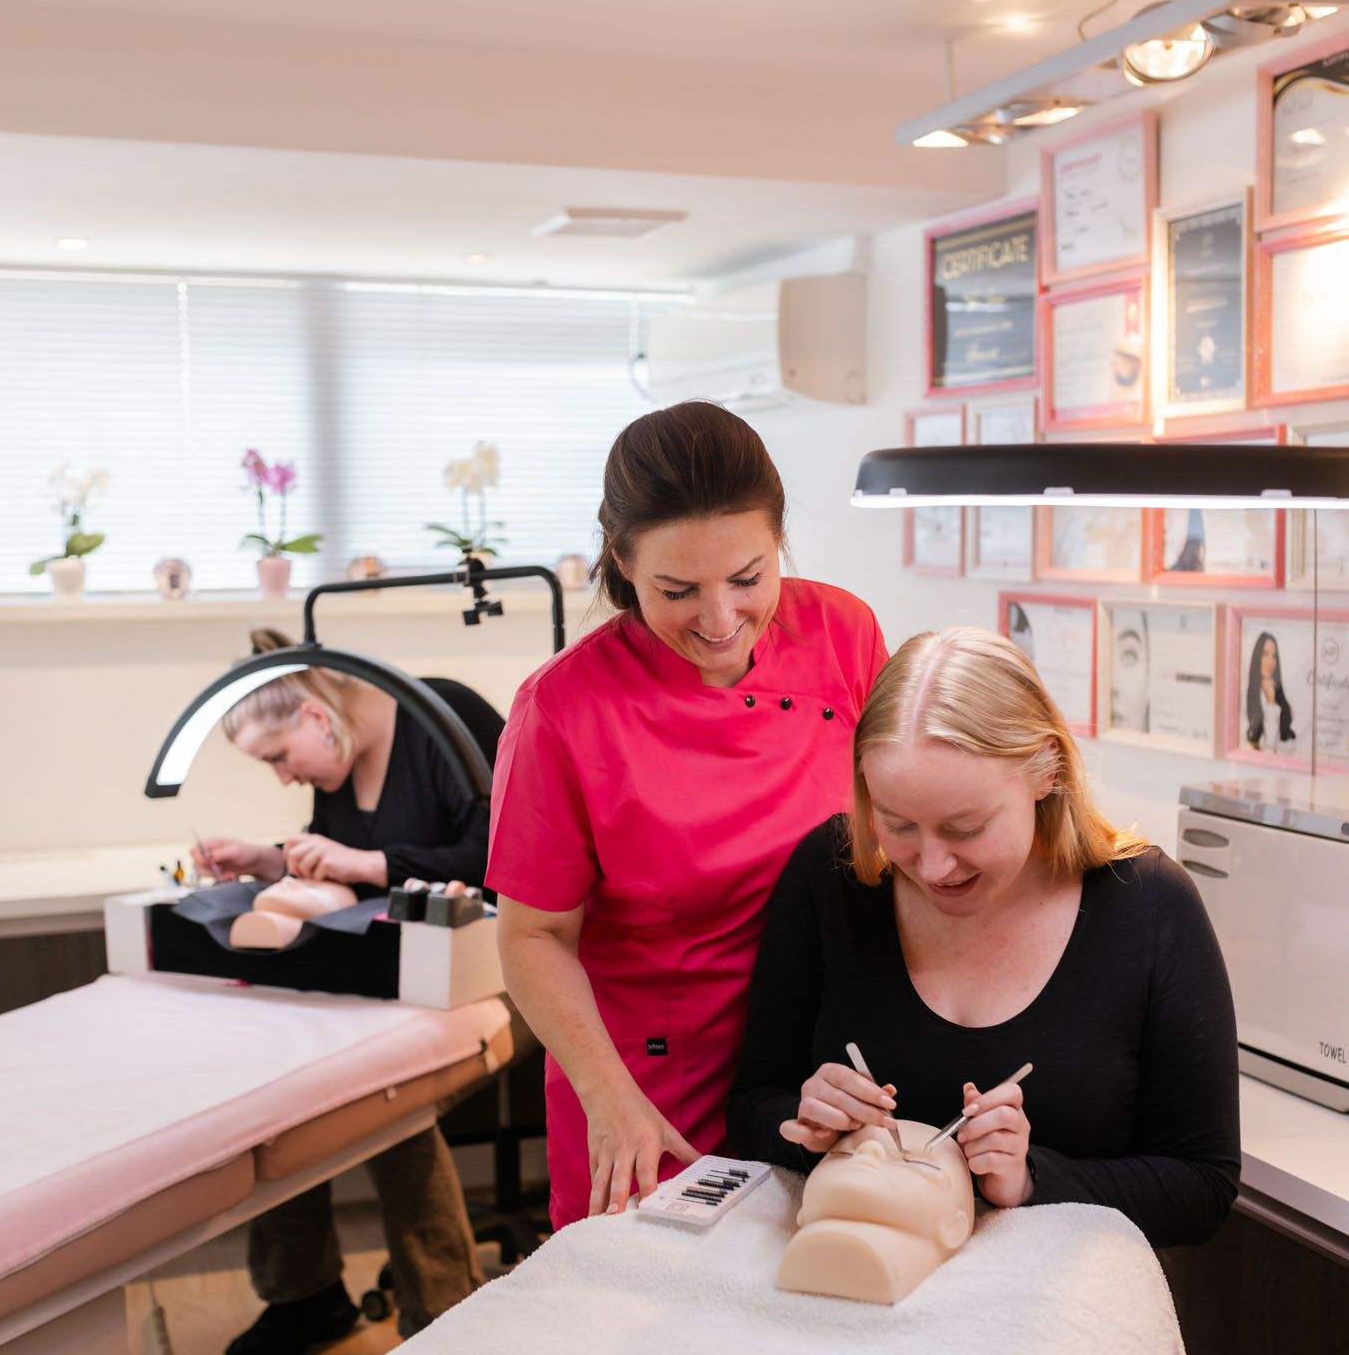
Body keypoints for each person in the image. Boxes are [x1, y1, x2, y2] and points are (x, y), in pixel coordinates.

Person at [488, 402, 888, 1228]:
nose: (719, 620)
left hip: (822, 1065)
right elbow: (533, 937)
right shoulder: (561, 710)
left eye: (748, 578)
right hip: (650, 1085)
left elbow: (899, 822)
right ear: (623, 565)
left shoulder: (842, 634)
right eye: (678, 591)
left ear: (779, 541)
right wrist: (609, 1096)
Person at [728, 626, 1241, 1250]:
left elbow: (1202, 1187)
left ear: (1047, 770)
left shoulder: (1150, 906)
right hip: (850, 1270)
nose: (933, 867)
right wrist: (804, 1125)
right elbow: (754, 1102)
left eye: (966, 828)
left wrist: (1031, 1180)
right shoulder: (831, 874)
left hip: (1048, 1298)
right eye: (898, 825)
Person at [193, 632, 489, 1355]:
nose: (283, 777)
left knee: (379, 1095)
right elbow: (340, 863)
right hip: (389, 975)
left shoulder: (443, 719)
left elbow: (505, 853)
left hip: (492, 970)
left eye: (277, 757)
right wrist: (270, 861)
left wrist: (371, 863)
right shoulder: (343, 759)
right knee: (284, 1082)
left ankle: (444, 1322)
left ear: (317, 719)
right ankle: (305, 1296)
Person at [1246, 630, 1295, 753]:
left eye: (1274, 657)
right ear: (1257, 657)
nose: (1270, 662)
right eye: (1265, 654)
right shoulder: (1244, 699)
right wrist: (1270, 703)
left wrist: (1272, 702)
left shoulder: (1284, 705)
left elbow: (1281, 751)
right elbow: (1265, 750)